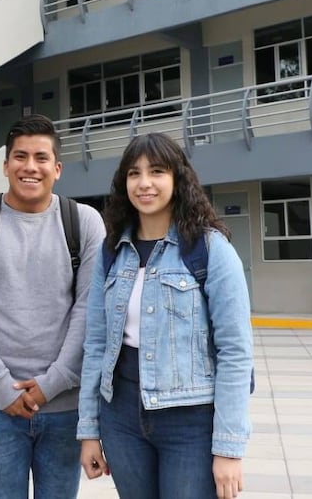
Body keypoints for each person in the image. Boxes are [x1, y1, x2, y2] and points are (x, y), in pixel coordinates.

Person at [78, 133, 253, 499]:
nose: (144, 183)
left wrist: (228, 448)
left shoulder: (209, 249)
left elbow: (235, 353)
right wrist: (89, 429)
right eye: (134, 173)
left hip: (190, 421)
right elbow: (95, 344)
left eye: (157, 171)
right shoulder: (111, 252)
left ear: (178, 179)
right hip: (120, 416)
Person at [0, 114, 105, 499]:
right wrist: (2, 387)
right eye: (20, 156)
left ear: (58, 168)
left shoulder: (84, 222)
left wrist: (51, 385)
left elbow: (88, 311)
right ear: (5, 165)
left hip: (65, 407)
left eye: (41, 157)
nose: (30, 167)